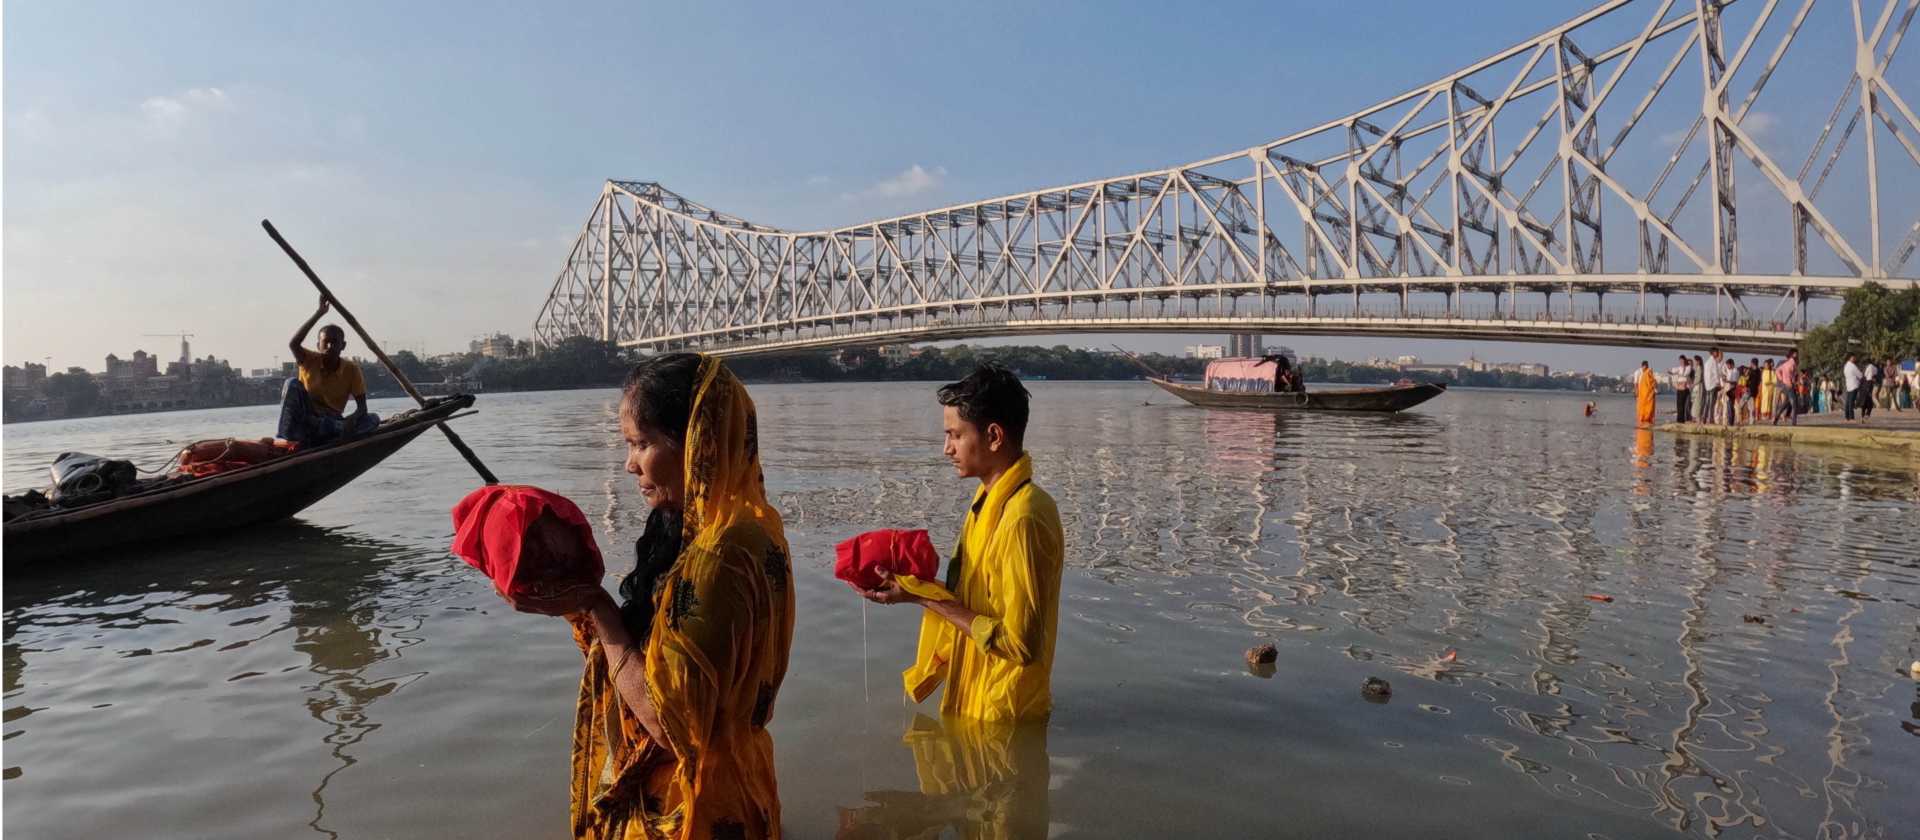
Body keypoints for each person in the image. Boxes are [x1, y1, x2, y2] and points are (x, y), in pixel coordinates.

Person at [507, 353, 794, 839]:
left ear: (695, 442)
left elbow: (669, 722)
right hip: (743, 786)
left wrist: (598, 608)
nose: (628, 463)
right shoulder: (756, 526)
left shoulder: (717, 556)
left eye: (641, 444)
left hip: (691, 809)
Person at [861, 363, 1066, 723]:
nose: (946, 449)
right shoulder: (987, 503)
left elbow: (1019, 644)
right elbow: (975, 603)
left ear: (994, 436)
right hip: (976, 696)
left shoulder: (1024, 517)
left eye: (955, 435)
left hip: (1003, 714)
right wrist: (909, 587)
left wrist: (924, 598)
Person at [278, 295, 377, 446]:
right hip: (307, 421)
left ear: (343, 346)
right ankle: (294, 435)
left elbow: (362, 408)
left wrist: (351, 419)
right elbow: (294, 344)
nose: (330, 346)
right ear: (319, 345)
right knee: (291, 383)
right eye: (326, 342)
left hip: (331, 421)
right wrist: (319, 312)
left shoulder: (351, 369)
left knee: (373, 419)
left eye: (335, 342)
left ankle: (332, 431)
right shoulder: (309, 360)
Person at [1772, 350, 1798, 425]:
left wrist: (1782, 379)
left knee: (1785, 404)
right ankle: (1794, 422)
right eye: (1795, 354)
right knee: (1794, 403)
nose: (1796, 355)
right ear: (1792, 355)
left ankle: (1776, 418)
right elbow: (1781, 372)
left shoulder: (1790, 363)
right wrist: (1787, 381)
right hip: (1789, 385)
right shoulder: (1790, 364)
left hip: (1787, 385)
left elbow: (1777, 371)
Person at [1702, 348, 1725, 424]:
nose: (1718, 354)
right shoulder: (1713, 361)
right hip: (1712, 385)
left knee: (1707, 403)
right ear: (1714, 353)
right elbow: (1715, 373)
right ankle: (1710, 419)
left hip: (1707, 385)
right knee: (1711, 403)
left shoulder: (1707, 362)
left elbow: (1706, 375)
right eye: (1718, 352)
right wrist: (1718, 383)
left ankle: (1704, 419)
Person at [1669, 355, 1694, 423]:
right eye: (1680, 361)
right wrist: (1670, 371)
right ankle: (1679, 420)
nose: (1681, 362)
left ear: (1685, 361)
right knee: (1679, 405)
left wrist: (1679, 373)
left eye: (1682, 360)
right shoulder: (1678, 368)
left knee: (1683, 405)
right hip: (1679, 388)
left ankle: (1683, 419)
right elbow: (1672, 371)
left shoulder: (1688, 367)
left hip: (1685, 388)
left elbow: (1685, 374)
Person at [1632, 360, 1657, 427]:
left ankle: (1648, 420)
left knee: (1649, 407)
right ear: (1643, 366)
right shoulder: (1637, 372)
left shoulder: (1648, 372)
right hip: (1641, 393)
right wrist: (1636, 392)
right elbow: (1636, 383)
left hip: (1647, 393)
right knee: (1640, 407)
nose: (1646, 368)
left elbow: (1652, 382)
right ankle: (1641, 420)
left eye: (1647, 367)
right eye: (1645, 367)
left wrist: (1654, 390)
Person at [1843, 354, 1862, 421]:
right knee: (1851, 402)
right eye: (1853, 357)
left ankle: (1847, 417)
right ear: (1850, 358)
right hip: (1854, 385)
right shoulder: (1853, 366)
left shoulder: (1846, 366)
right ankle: (1851, 417)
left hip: (1848, 385)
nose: (1854, 359)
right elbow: (1860, 375)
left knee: (1848, 402)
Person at [1691, 355, 1707, 423]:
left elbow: (1698, 378)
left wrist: (1693, 384)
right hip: (1696, 387)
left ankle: (1698, 419)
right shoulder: (1698, 368)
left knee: (1698, 403)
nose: (1694, 362)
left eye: (1695, 361)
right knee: (1696, 403)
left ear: (1698, 361)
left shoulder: (1700, 368)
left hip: (1698, 387)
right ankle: (1696, 419)